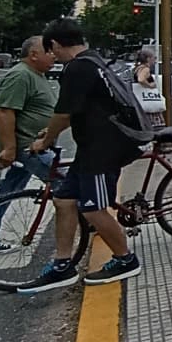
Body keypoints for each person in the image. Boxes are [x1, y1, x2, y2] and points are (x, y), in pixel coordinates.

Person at [19, 19, 142, 293]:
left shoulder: (78, 68)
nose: (53, 56)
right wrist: (50, 132)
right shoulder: (93, 61)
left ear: (55, 44)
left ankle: (126, 259)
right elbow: (76, 112)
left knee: (93, 208)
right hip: (90, 149)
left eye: (51, 50)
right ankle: (63, 264)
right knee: (64, 200)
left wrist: (45, 141)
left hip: (102, 151)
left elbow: (64, 114)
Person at [0, 36, 59, 253]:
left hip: (34, 145)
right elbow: (4, 112)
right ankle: (92, 225)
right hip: (29, 147)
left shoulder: (36, 75)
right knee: (68, 187)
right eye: (48, 51)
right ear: (33, 54)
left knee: (8, 191)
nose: (54, 55)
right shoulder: (20, 75)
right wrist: (9, 148)